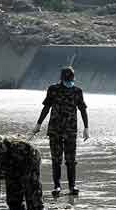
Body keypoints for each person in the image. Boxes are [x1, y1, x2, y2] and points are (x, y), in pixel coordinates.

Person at [32, 66, 89, 197]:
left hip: (71, 131)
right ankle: (57, 186)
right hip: (55, 130)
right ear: (62, 78)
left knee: (71, 160)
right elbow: (46, 108)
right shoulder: (53, 90)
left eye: (71, 79)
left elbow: (83, 109)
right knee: (56, 159)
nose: (69, 81)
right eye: (67, 79)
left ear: (73, 78)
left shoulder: (77, 91)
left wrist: (86, 128)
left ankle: (72, 186)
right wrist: (38, 124)